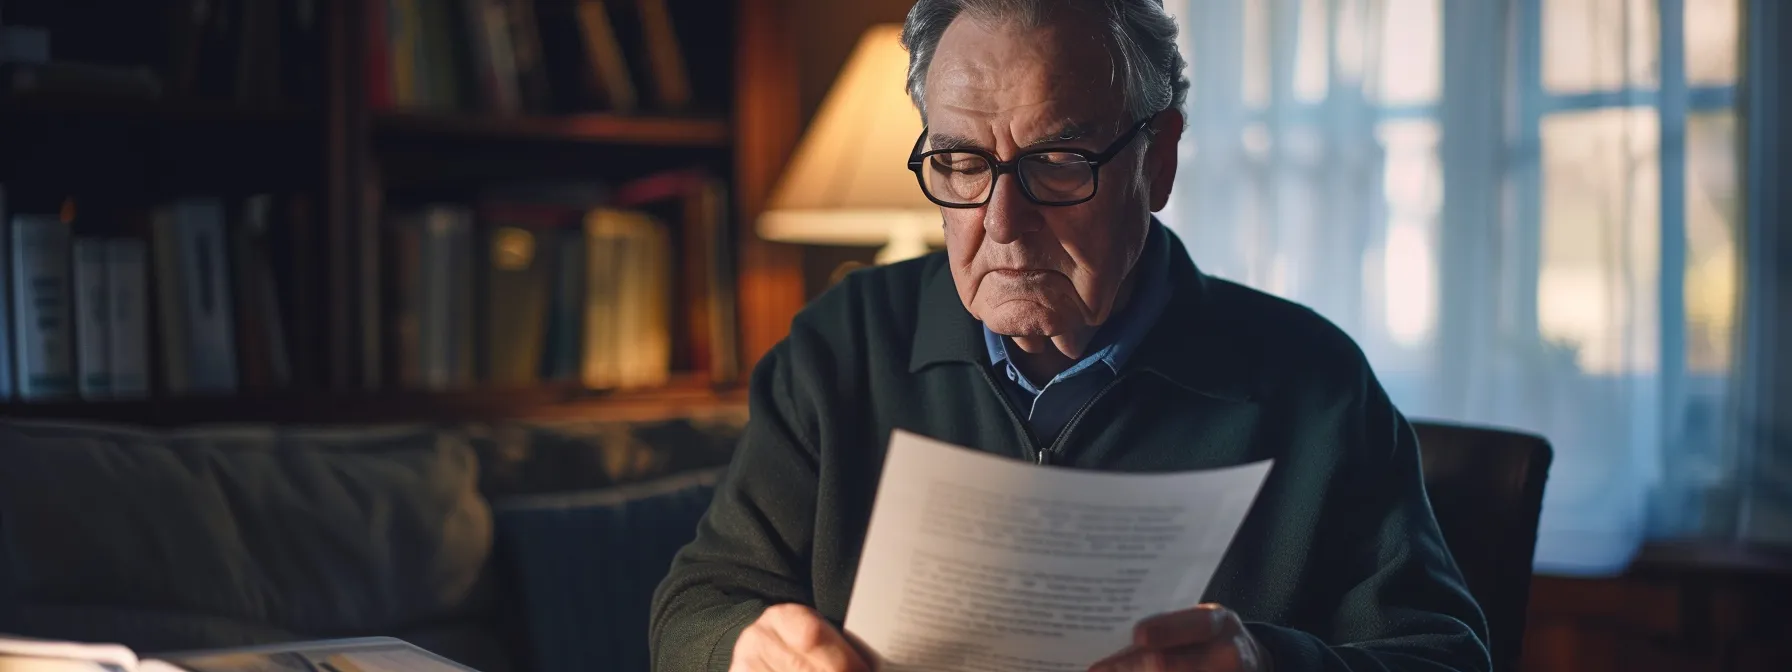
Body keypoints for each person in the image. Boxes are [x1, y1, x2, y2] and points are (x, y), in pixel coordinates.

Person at [650, 0, 1490, 670]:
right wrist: (746, 649)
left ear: (1156, 161)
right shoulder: (842, 343)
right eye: (961, 163)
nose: (1001, 223)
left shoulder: (1313, 382)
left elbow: (1446, 655)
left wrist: (1265, 662)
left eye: (1058, 161)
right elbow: (697, 605)